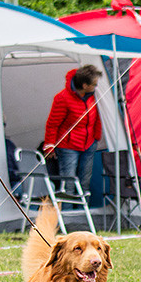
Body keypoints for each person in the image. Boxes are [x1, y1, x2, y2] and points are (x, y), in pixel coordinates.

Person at [43, 64, 103, 195]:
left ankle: (84, 214)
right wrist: (49, 146)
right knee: (68, 184)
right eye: (94, 84)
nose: (96, 87)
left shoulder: (94, 95)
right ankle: (68, 214)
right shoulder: (62, 98)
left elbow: (98, 116)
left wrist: (97, 136)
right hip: (68, 147)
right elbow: (52, 124)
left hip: (89, 144)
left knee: (85, 183)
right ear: (85, 86)